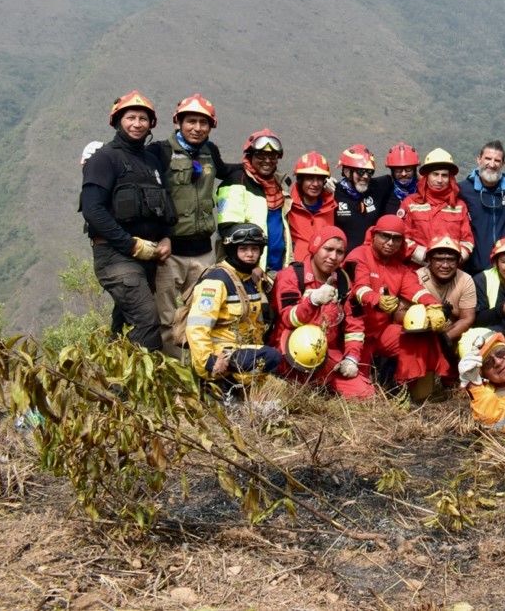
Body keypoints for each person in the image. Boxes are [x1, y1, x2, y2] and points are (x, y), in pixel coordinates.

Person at [80, 90, 177, 351]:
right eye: (130, 118)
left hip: (149, 255)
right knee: (147, 320)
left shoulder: (152, 162)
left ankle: (110, 373)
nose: (137, 124)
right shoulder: (104, 158)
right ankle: (144, 377)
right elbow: (93, 210)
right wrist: (130, 245)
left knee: (123, 324)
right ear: (117, 121)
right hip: (115, 256)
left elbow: (165, 207)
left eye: (143, 118)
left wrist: (166, 237)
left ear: (151, 123)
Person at [148, 93, 234, 359]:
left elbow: (227, 171)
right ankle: (171, 372)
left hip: (203, 253)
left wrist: (264, 169)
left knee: (204, 316)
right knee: (165, 318)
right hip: (169, 253)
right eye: (191, 121)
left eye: (203, 122)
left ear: (211, 126)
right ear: (179, 122)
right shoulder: (160, 152)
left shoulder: (210, 152)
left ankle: (200, 369)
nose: (197, 128)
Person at [345, 215, 450, 401]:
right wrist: (376, 300)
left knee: (421, 338)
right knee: (361, 394)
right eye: (385, 236)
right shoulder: (358, 255)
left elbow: (416, 291)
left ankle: (407, 392)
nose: (390, 242)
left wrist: (435, 307)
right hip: (353, 332)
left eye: (396, 238)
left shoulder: (400, 268)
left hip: (382, 332)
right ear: (374, 235)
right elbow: (358, 288)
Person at [270, 226, 373, 399]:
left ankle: (322, 387)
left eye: (339, 252)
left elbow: (354, 326)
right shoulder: (291, 276)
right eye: (328, 249)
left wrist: (352, 358)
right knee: (292, 398)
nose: (333, 257)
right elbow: (288, 318)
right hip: (289, 354)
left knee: (366, 395)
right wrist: (312, 301)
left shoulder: (344, 282)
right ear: (315, 247)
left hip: (327, 354)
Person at [185, 223, 282, 391]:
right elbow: (197, 327)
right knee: (271, 356)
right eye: (243, 249)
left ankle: (242, 388)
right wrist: (209, 362)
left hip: (241, 349)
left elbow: (256, 326)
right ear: (231, 250)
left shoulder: (250, 279)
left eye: (255, 249)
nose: (250, 254)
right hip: (216, 356)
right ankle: (221, 387)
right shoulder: (216, 281)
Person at [216, 129, 292, 284]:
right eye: (260, 155)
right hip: (248, 272)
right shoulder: (236, 181)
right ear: (249, 156)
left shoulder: (279, 185)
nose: (267, 160)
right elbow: (229, 230)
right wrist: (251, 266)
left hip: (278, 269)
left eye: (272, 156)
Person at [398, 148, 474, 265]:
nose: (439, 180)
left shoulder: (460, 206)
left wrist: (453, 261)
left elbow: (467, 241)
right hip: (417, 270)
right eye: (435, 174)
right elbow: (402, 238)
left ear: (450, 178)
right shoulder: (410, 203)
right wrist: (426, 257)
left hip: (452, 271)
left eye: (444, 175)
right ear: (427, 176)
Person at [459, 141, 505, 275]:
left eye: (497, 160)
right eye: (488, 158)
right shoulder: (463, 189)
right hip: (473, 269)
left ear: (503, 164)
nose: (492, 164)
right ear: (479, 159)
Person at [415, 236, 478, 360]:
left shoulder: (465, 279)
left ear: (458, 261)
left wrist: (443, 339)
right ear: (429, 259)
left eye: (451, 260)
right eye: (439, 259)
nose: (445, 265)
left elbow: (467, 318)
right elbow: (399, 314)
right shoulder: (417, 277)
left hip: (451, 336)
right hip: (421, 335)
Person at [286, 152, 337, 263]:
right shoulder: (287, 206)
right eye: (309, 178)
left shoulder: (332, 206)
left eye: (319, 179)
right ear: (300, 180)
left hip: (324, 268)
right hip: (296, 268)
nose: (315, 184)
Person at [333, 144, 381, 251]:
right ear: (347, 172)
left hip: (370, 258)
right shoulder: (333, 193)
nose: (366, 176)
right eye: (360, 172)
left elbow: (402, 177)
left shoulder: (379, 187)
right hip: (344, 259)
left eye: (369, 172)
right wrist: (323, 183)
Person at [374, 142, 420, 216]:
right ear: (392, 170)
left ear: (415, 169)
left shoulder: (424, 191)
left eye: (408, 169)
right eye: (398, 169)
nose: (403, 174)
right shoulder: (384, 191)